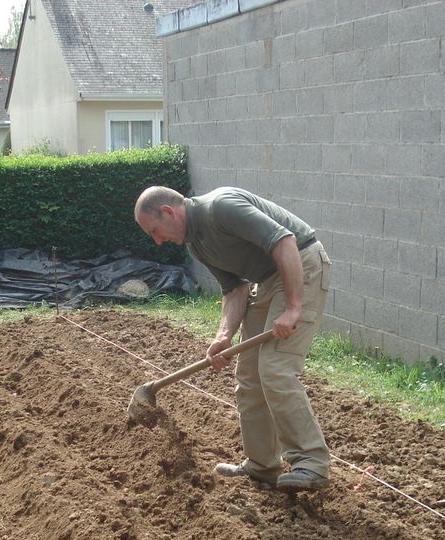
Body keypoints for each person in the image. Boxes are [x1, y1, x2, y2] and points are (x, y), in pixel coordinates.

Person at [134, 186, 331, 492]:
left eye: (155, 231)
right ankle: (262, 465)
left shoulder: (220, 208)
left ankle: (311, 464)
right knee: (249, 375)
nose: (158, 241)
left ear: (168, 212)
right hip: (267, 281)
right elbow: (235, 290)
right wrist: (223, 336)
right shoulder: (196, 244)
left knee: (275, 367)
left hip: (300, 265)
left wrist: (294, 307)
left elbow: (285, 241)